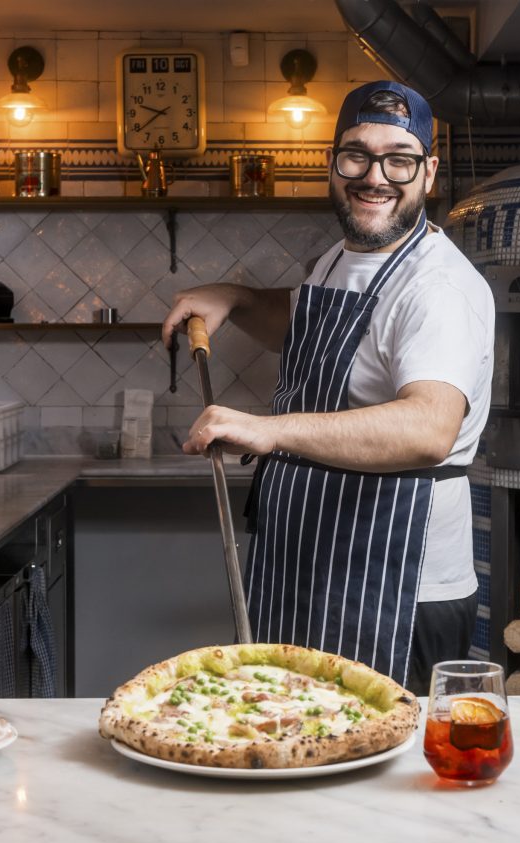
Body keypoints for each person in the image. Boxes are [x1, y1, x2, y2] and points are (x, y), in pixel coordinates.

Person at [162, 80, 494, 693]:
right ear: (332, 164)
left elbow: (429, 429)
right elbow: (305, 325)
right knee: (290, 730)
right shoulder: (341, 258)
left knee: (379, 748)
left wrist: (268, 430)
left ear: (428, 173)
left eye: (399, 160)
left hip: (393, 583)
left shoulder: (438, 288)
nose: (375, 177)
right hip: (308, 562)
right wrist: (235, 298)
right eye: (356, 156)